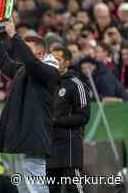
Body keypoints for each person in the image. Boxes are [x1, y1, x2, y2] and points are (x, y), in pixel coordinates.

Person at [0, 19, 60, 193]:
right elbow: (6, 65)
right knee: (28, 181)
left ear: (41, 54)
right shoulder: (24, 69)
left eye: (27, 49)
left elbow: (32, 63)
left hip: (36, 132)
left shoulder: (49, 71)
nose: (22, 53)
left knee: (36, 182)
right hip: (26, 132)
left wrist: (14, 36)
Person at [46, 46, 91, 193]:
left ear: (67, 62)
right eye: (51, 60)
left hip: (70, 145)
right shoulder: (47, 83)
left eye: (57, 60)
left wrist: (56, 120)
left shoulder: (76, 84)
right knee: (51, 188)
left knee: (74, 188)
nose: (53, 63)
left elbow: (84, 116)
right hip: (50, 145)